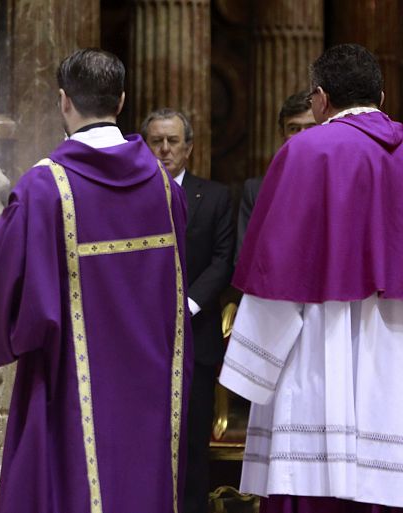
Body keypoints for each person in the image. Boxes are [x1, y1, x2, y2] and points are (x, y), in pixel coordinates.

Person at [0, 49, 192, 513]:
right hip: (152, 380)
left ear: (63, 102)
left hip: (70, 377)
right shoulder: (164, 186)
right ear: (121, 99)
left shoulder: (43, 187)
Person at [220, 43, 403, 511]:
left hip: (320, 347)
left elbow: (276, 269)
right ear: (381, 98)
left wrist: (251, 366)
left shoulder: (305, 150)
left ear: (319, 99)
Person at [142, 109, 235, 513]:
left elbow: (223, 260)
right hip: (143, 339)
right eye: (156, 141)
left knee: (194, 443)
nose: (164, 149)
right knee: (145, 441)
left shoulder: (215, 196)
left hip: (197, 337)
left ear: (189, 147)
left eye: (172, 141)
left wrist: (186, 306)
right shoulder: (131, 197)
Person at [237, 91, 317, 257]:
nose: (302, 136)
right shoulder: (255, 190)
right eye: (294, 128)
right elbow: (244, 258)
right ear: (282, 134)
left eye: (311, 127)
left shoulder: (341, 184)